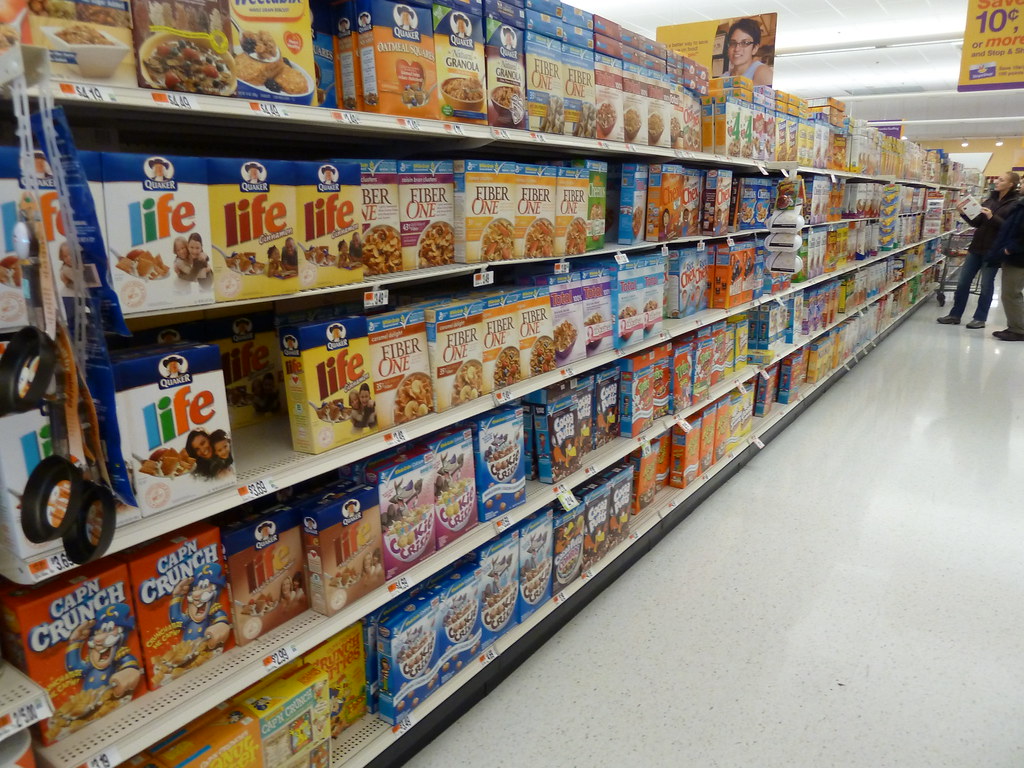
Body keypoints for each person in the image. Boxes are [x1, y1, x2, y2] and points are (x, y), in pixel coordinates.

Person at [938, 172, 1020, 328]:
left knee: (986, 285)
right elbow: (977, 223)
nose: (997, 181)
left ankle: (980, 318)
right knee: (963, 282)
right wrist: (964, 214)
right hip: (976, 247)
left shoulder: (1015, 205)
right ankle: (955, 314)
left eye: (1001, 180)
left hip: (993, 251)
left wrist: (992, 217)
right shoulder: (990, 200)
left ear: (1010, 184)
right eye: (998, 179)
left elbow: (1009, 229)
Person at [990, 190, 1024, 341]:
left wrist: (1010, 249)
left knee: (1011, 293)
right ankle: (1015, 326)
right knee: (1011, 293)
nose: (1021, 185)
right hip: (1015, 255)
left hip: (1018, 258)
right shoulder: (1020, 204)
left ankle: (1019, 330)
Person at [725, 18, 773, 86]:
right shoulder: (724, 77)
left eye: (745, 43)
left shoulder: (762, 73)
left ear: (755, 49)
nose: (737, 49)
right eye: (733, 43)